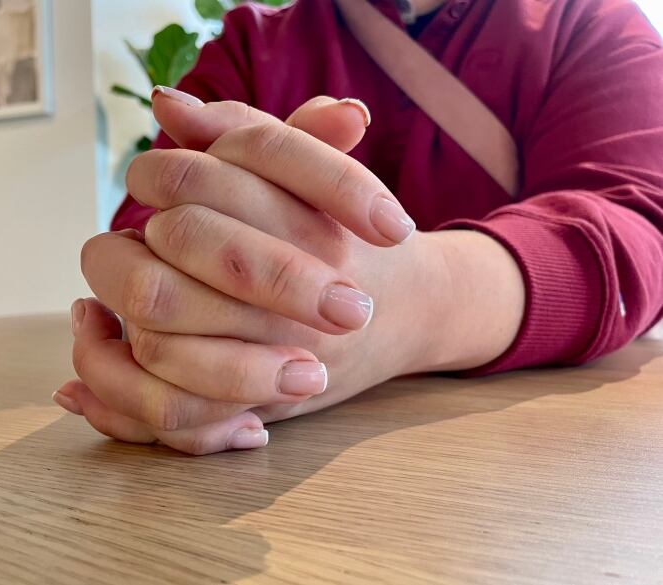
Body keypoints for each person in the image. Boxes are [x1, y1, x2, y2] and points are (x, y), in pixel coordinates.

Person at [53, 0, 663, 455]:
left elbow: (637, 226)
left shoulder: (587, 21)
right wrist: (169, 312)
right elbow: (149, 224)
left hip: (539, 468)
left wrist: (422, 299)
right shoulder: (246, 48)